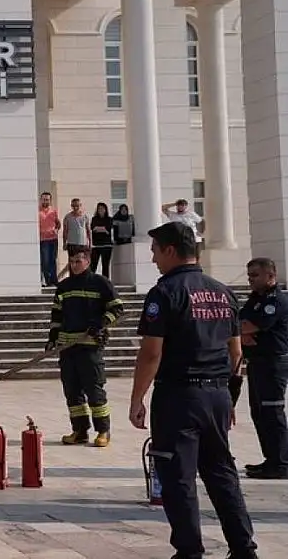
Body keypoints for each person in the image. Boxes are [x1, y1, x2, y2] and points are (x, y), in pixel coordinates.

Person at [129, 221, 257, 559]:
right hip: (216, 394)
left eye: (155, 251)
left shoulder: (165, 293)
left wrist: (137, 398)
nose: (153, 259)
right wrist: (228, 396)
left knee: (178, 478)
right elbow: (236, 351)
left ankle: (189, 551)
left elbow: (152, 353)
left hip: (179, 397)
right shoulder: (222, 291)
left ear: (170, 250)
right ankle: (244, 548)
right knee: (222, 474)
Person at [48, 246, 124, 447]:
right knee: (72, 392)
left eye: (78, 261)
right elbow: (56, 315)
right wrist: (52, 337)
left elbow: (117, 309)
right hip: (67, 348)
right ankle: (80, 430)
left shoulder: (100, 283)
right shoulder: (63, 287)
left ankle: (103, 431)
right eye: (71, 261)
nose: (74, 265)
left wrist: (100, 324)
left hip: (90, 346)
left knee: (94, 390)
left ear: (88, 261)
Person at [238, 257, 288, 480]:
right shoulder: (254, 300)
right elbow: (240, 325)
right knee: (259, 412)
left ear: (271, 276)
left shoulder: (275, 300)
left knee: (272, 412)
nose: (251, 280)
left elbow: (252, 325)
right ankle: (271, 459)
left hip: (273, 363)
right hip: (257, 363)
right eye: (249, 276)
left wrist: (245, 331)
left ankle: (281, 462)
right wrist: (243, 333)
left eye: (255, 276)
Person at [89, 202, 113, 278]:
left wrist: (100, 229)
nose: (101, 210)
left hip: (107, 245)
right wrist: (103, 229)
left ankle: (105, 282)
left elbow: (108, 230)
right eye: (99, 209)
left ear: (105, 210)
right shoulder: (94, 219)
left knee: (105, 265)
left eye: (102, 208)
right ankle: (89, 282)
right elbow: (93, 228)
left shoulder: (109, 219)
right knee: (93, 265)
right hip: (96, 245)